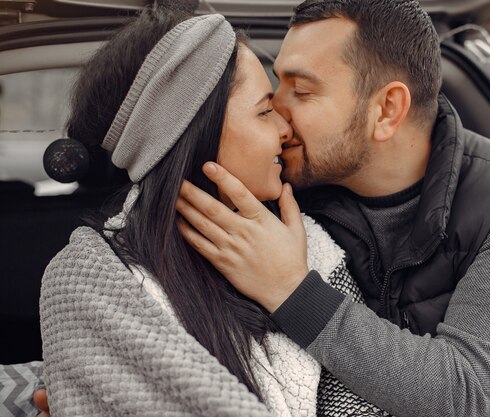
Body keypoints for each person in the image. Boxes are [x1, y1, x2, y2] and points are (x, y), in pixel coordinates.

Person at [173, 0, 490, 416]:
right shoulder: (283, 190)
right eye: (274, 86)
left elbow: (464, 395)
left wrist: (290, 290)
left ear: (387, 110)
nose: (278, 114)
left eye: (301, 90)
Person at [35, 5, 387, 417]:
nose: (285, 129)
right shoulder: (89, 279)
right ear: (193, 136)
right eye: (264, 110)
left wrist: (295, 289)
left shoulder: (310, 244)